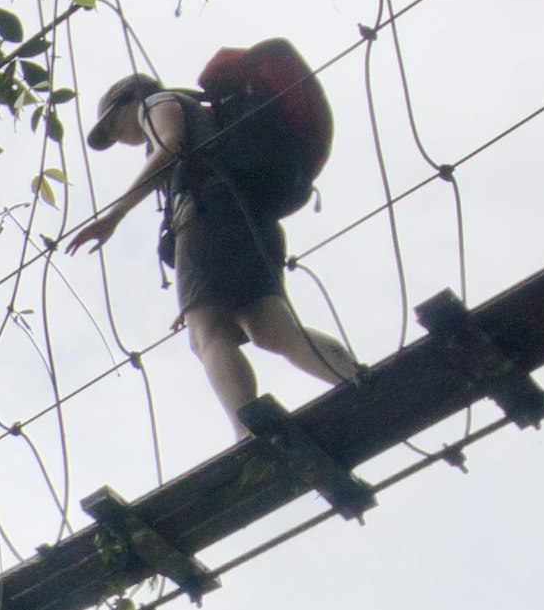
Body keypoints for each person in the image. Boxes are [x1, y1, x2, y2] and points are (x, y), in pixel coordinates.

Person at [69, 64, 363, 425]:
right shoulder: (203, 117)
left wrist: (115, 215)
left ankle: (248, 432)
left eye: (113, 124)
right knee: (271, 328)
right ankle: (355, 377)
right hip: (247, 219)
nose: (119, 137)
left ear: (131, 100)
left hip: (208, 215)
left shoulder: (155, 103)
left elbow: (170, 146)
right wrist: (198, 294)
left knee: (206, 333)